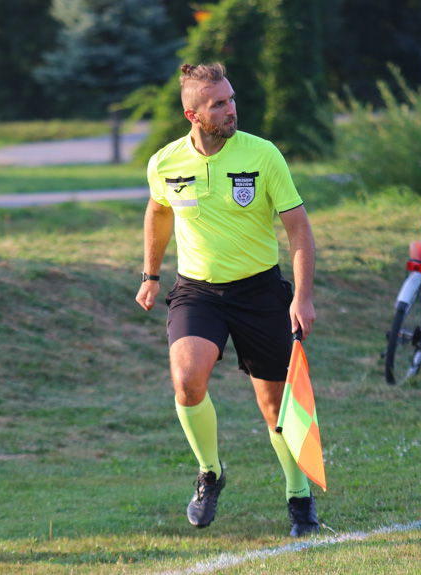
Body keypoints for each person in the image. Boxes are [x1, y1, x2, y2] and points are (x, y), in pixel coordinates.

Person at [135, 62, 319, 537]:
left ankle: (299, 497)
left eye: (232, 98)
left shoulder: (263, 155)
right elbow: (158, 212)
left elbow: (298, 229)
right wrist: (151, 274)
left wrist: (302, 297)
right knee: (187, 379)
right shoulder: (164, 162)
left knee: (274, 406)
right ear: (192, 113)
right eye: (218, 103)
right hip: (198, 291)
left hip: (259, 290)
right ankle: (210, 473)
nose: (230, 108)